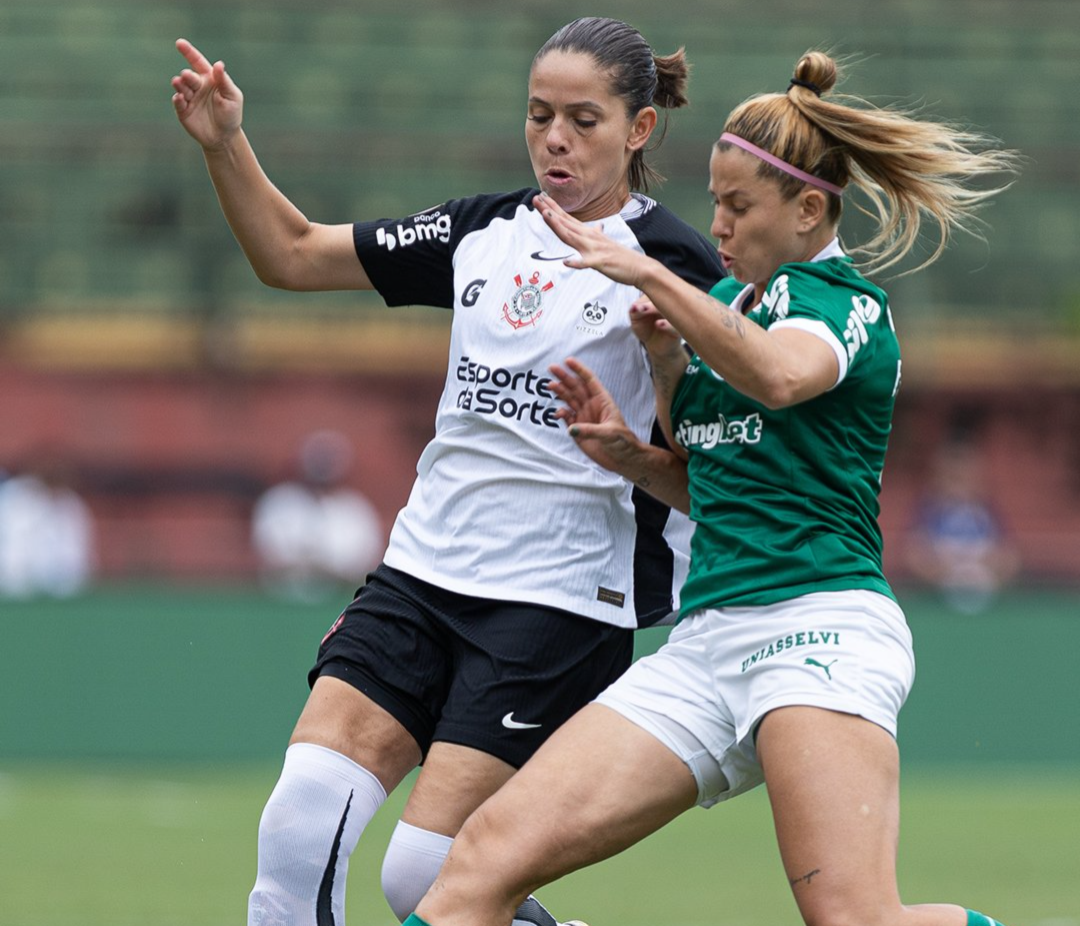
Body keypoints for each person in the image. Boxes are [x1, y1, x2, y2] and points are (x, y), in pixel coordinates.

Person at [408, 50, 1019, 926]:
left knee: (851, 917)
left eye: (739, 206)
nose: (719, 225)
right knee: (478, 866)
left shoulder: (845, 304)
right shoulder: (730, 301)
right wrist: (637, 442)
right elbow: (716, 487)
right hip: (706, 642)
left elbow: (777, 377)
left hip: (819, 626)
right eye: (715, 202)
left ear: (810, 209)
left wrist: (650, 274)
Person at [171, 17, 723, 926]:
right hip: (419, 576)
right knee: (298, 824)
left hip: (559, 603)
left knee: (425, 879)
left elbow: (712, 465)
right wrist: (227, 143)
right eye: (540, 113)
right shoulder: (482, 231)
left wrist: (658, 382)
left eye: (583, 119)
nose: (555, 136)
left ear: (639, 130)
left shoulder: (675, 266)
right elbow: (292, 253)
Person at [252, 430, 384, 602]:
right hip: (283, 598)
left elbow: (364, 559)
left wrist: (330, 567)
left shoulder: (357, 508)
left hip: (341, 600)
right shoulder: (279, 501)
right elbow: (268, 552)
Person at [905, 440, 1019, 614]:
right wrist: (946, 573)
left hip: (985, 596)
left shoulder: (988, 511)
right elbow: (913, 553)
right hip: (936, 599)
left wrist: (984, 571)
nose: (959, 484)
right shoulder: (928, 510)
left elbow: (1010, 555)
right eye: (953, 477)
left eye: (965, 476)